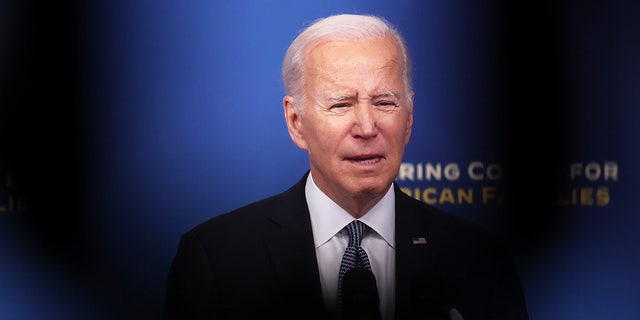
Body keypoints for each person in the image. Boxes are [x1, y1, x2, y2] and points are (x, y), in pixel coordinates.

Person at [164, 14, 529, 320]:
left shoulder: (480, 260)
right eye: (341, 105)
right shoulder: (216, 258)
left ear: (410, 118)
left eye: (385, 102)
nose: (368, 128)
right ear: (295, 122)